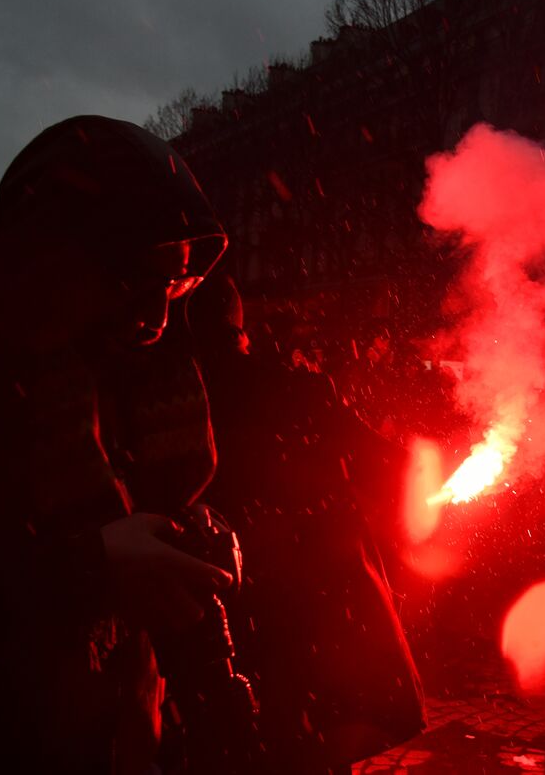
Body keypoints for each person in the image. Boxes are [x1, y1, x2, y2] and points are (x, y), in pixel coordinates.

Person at [0, 116, 236, 773]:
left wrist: (190, 539)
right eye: (135, 279)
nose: (157, 320)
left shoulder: (118, 380)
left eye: (174, 285)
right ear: (50, 261)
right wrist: (88, 571)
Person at [187, 273, 425, 772]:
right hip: (314, 623)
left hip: (219, 620)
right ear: (241, 330)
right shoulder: (294, 391)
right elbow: (390, 467)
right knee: (311, 750)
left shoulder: (178, 395)